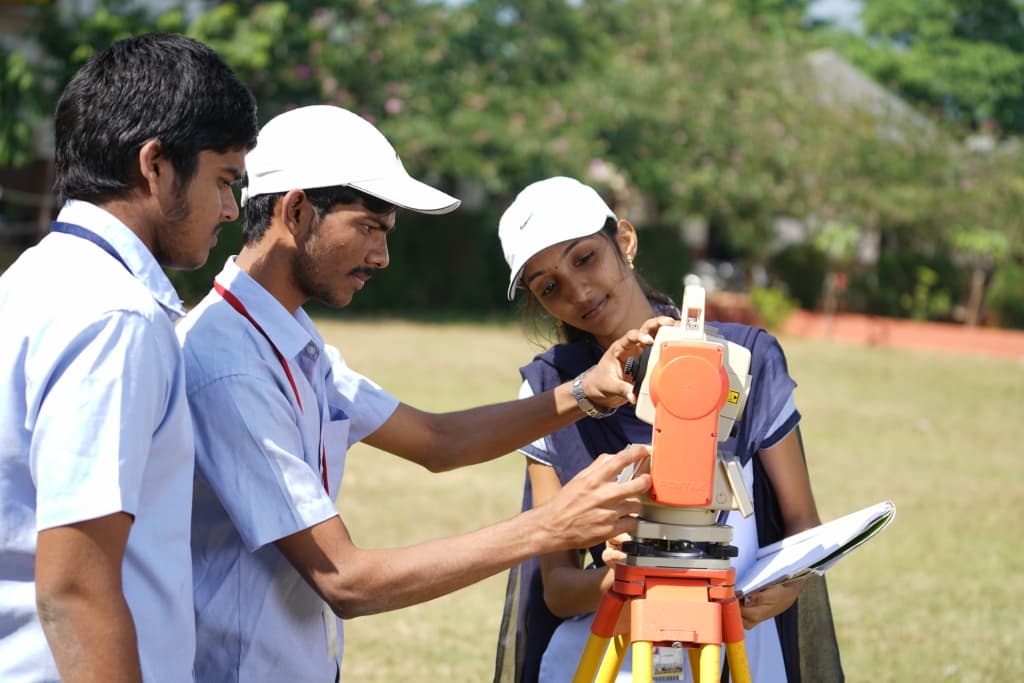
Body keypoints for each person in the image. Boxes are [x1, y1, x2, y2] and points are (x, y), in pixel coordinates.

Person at [176, 105, 667, 682]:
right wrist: (548, 527)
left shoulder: (287, 340)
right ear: (296, 209)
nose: (382, 257)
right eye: (369, 228)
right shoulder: (231, 366)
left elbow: (437, 440)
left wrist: (585, 390)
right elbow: (344, 580)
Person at [492, 177, 845, 682]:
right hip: (613, 646)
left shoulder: (744, 359)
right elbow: (558, 588)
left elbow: (801, 523)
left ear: (625, 241)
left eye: (585, 258)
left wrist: (788, 587)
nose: (579, 290)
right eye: (550, 287)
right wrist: (622, 573)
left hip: (735, 640)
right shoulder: (551, 392)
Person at [0, 33, 258, 682]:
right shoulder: (114, 315)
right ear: (156, 165)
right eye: (225, 179)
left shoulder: (32, 280)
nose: (230, 209)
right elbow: (75, 587)